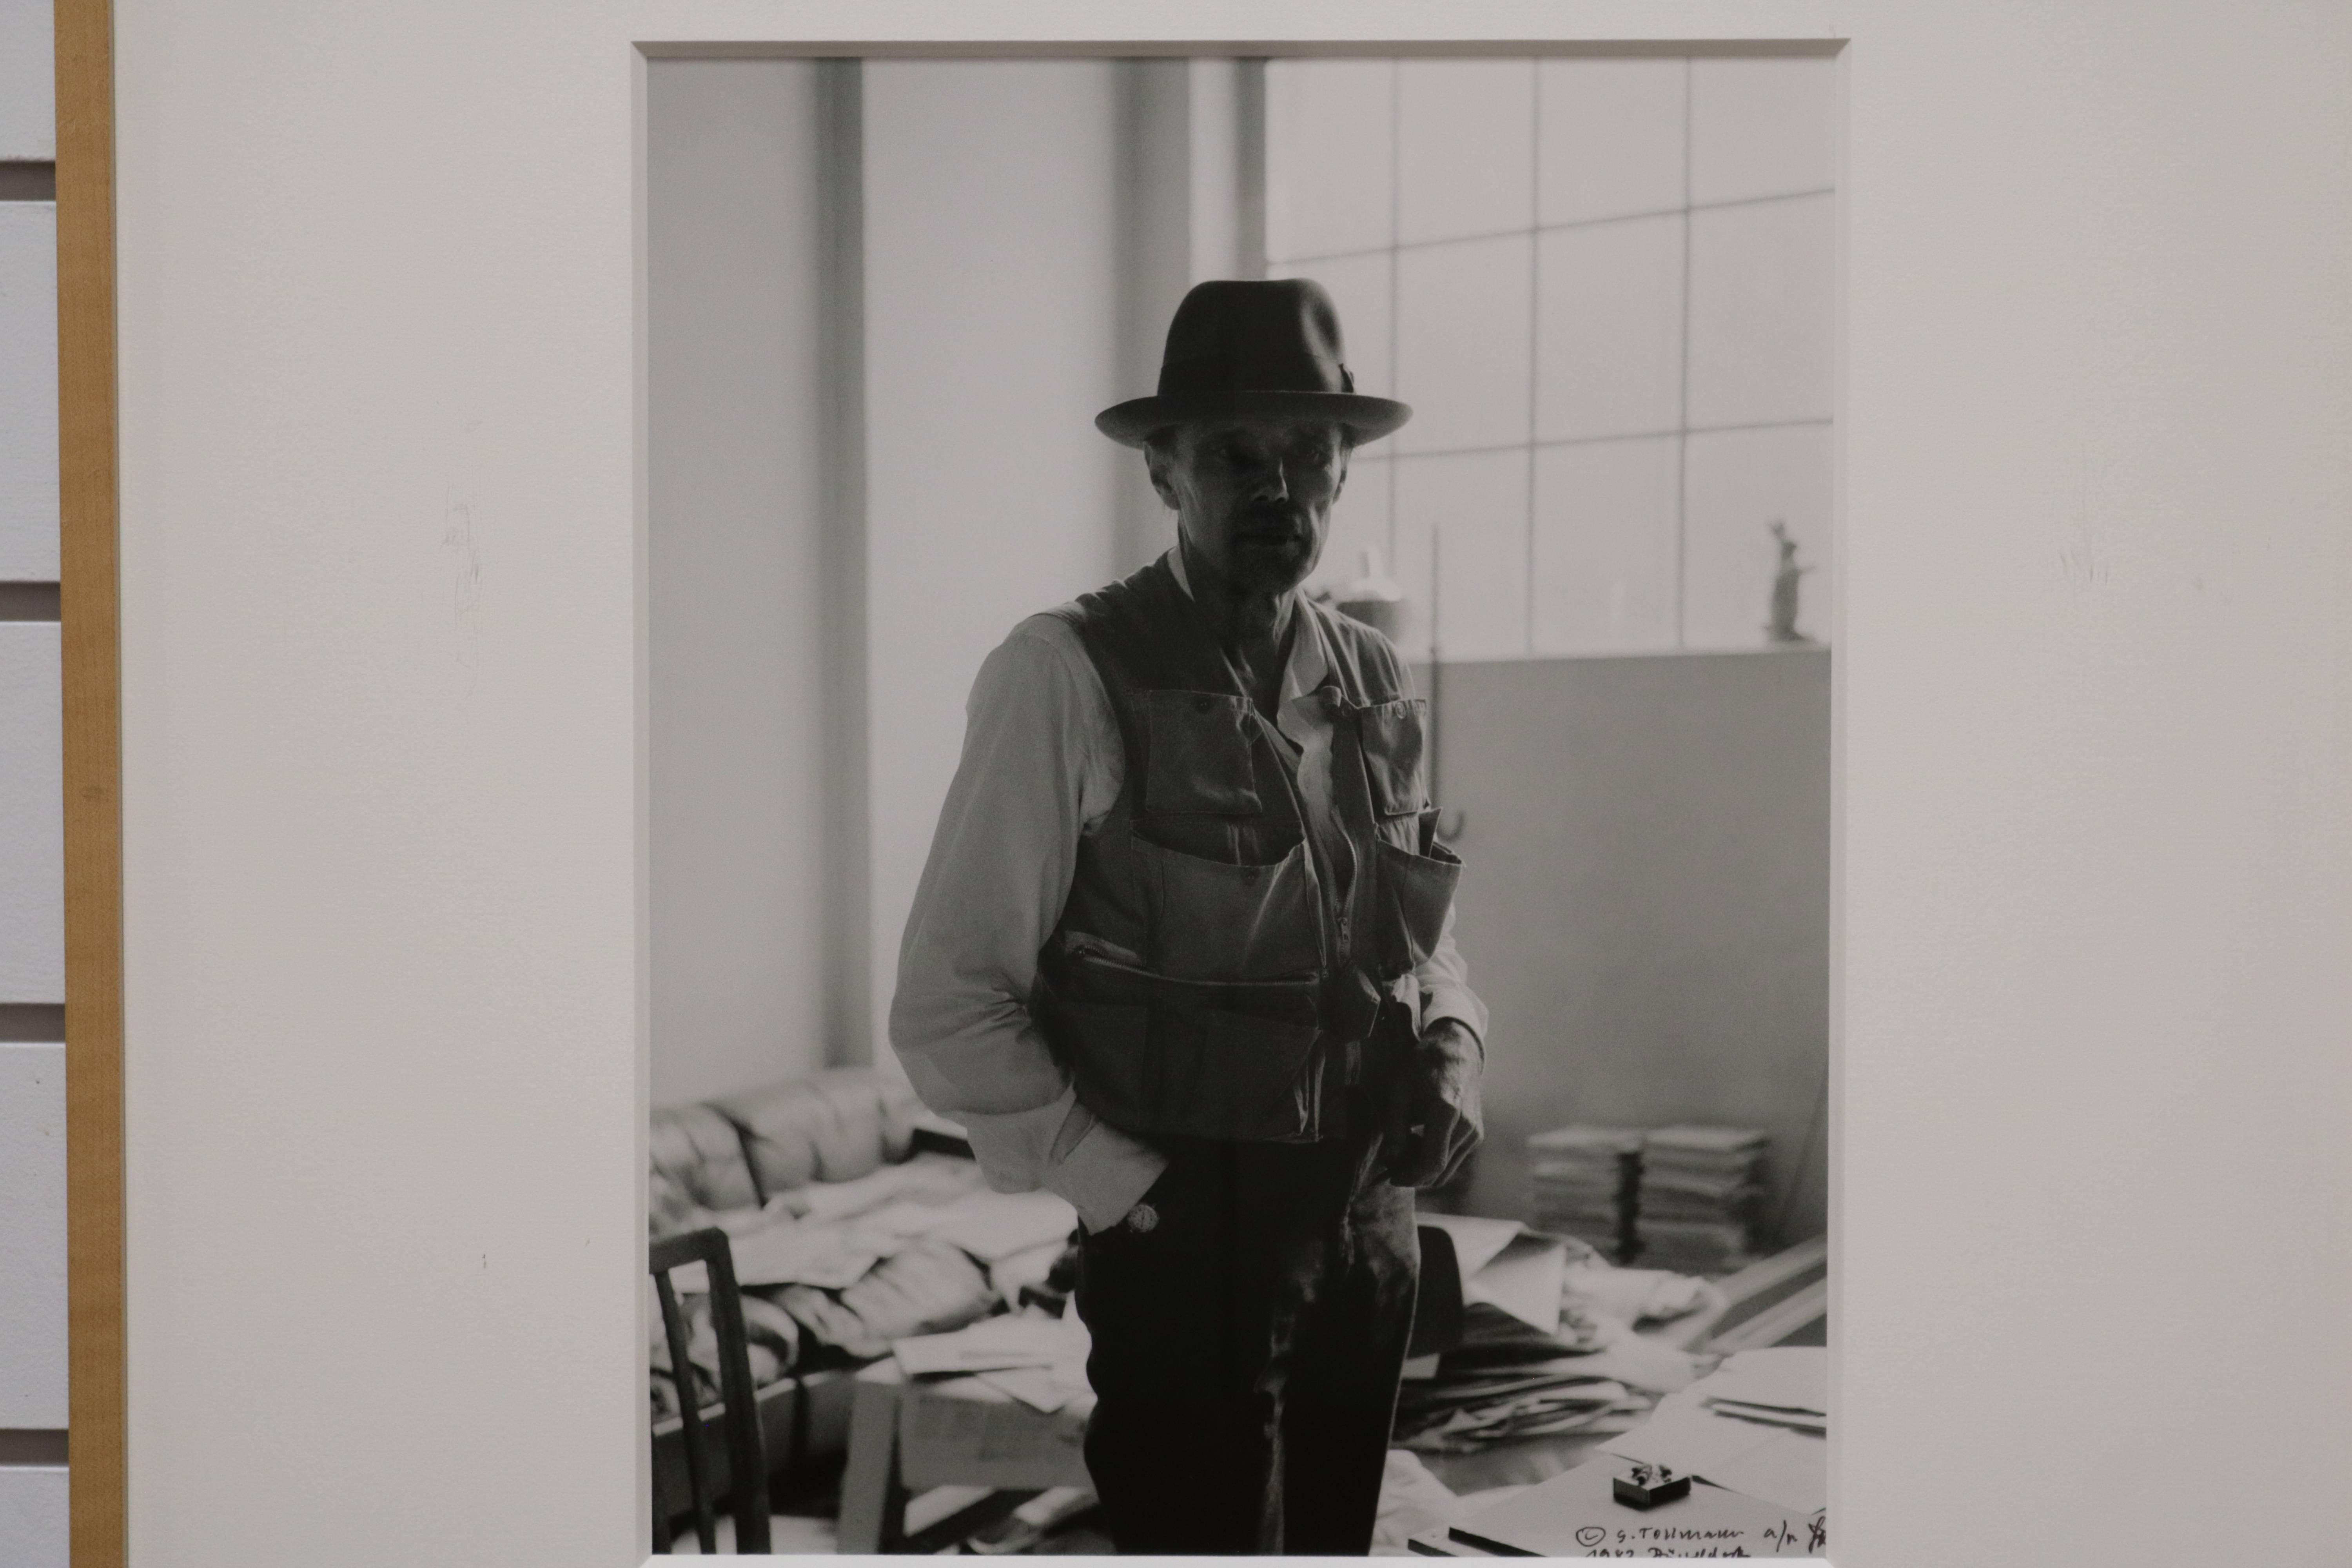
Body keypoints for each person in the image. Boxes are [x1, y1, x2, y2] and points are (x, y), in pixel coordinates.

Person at [891, 278, 1489, 1555]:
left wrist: (1454, 1038)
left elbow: (1420, 942)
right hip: (1187, 1237)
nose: (1282, 489)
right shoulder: (1062, 672)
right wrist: (1129, 1200)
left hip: (1369, 1223)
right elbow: (948, 1005)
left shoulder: (1372, 674)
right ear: (1165, 474)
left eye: (1313, 457)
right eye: (1237, 456)